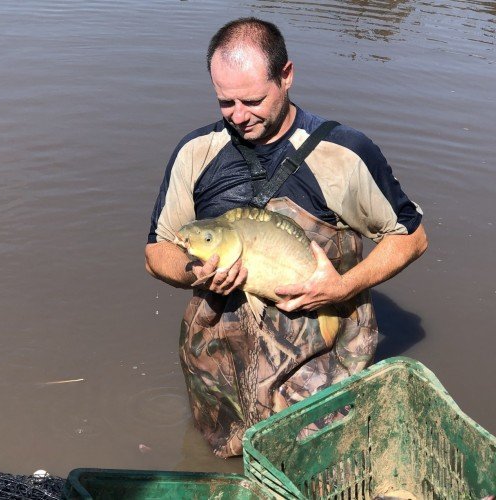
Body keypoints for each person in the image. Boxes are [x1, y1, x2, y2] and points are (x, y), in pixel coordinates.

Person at [145, 17, 428, 458]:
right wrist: (191, 272)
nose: (239, 116)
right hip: (220, 367)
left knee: (316, 463)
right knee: (223, 466)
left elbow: (410, 237)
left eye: (252, 100)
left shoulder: (345, 155)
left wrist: (343, 287)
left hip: (318, 362)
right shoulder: (195, 153)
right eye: (225, 102)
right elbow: (158, 249)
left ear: (286, 76)